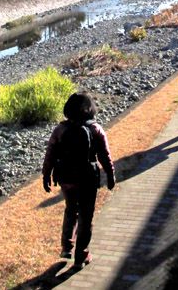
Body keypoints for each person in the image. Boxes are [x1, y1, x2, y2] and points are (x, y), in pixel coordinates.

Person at [42, 93, 115, 268]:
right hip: (88, 179)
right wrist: (111, 175)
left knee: (71, 210)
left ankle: (67, 245)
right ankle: (81, 255)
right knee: (86, 216)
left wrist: (46, 175)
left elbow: (50, 154)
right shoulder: (95, 129)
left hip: (67, 178)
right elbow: (105, 155)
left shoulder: (60, 130)